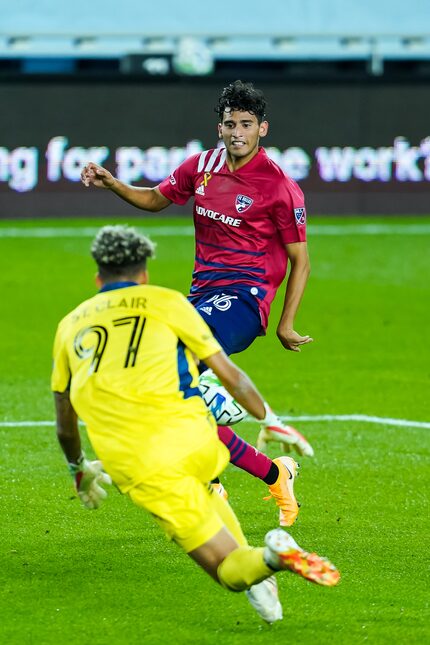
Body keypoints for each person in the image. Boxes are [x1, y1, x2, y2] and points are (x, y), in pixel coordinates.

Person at [51, 225, 339, 625]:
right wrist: (269, 420)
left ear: (97, 276)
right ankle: (264, 579)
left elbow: (66, 426)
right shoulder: (170, 302)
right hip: (199, 439)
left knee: (228, 569)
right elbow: (231, 375)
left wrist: (78, 470)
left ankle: (271, 558)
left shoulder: (70, 325)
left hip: (142, 463)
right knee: (202, 490)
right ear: (144, 274)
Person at [80, 80, 313, 526]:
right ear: (219, 127)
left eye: (247, 124)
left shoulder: (280, 186)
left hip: (245, 300)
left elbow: (300, 261)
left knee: (164, 365)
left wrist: (286, 322)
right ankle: (272, 472)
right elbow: (154, 199)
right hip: (202, 297)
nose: (237, 132)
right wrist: (112, 183)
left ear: (262, 128)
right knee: (166, 403)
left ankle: (210, 420)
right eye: (230, 124)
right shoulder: (201, 166)